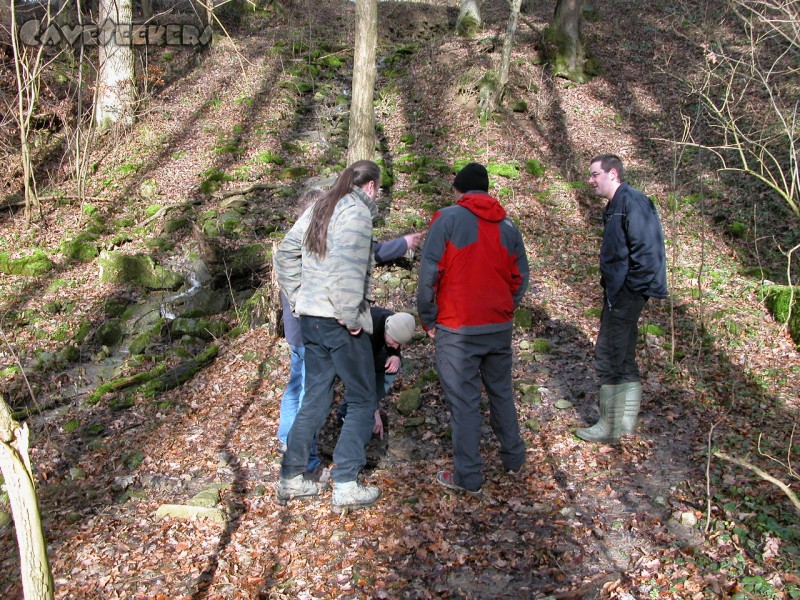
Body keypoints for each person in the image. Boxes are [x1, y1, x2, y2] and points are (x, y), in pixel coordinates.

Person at [273, 160, 383, 513]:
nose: (378, 195)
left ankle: (291, 477)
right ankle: (346, 483)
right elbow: (347, 268)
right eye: (378, 189)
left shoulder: (320, 206)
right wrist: (350, 315)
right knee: (363, 399)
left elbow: (285, 253)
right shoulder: (356, 212)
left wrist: (298, 296)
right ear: (370, 186)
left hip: (311, 320)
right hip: (339, 321)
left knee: (315, 398)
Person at [417, 162, 529, 494]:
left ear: (460, 190)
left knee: (464, 403)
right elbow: (520, 278)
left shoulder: (447, 219)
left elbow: (429, 274)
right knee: (501, 393)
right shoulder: (508, 226)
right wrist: (505, 307)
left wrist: (428, 318)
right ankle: (513, 459)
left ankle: (469, 476)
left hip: (458, 328)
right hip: (497, 325)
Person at [576, 153, 667, 444]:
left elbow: (648, 253)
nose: (590, 180)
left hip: (627, 293)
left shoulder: (632, 202)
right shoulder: (616, 205)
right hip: (620, 292)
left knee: (609, 354)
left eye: (595, 174)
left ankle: (609, 427)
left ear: (613, 173)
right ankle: (624, 427)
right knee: (624, 355)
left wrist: (629, 290)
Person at [336, 307, 417, 439]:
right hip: (346, 355)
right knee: (362, 385)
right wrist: (375, 411)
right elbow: (364, 374)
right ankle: (348, 413)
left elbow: (395, 342)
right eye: (395, 342)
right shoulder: (368, 328)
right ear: (386, 330)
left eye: (399, 344)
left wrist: (395, 355)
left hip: (370, 354)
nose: (396, 346)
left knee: (393, 365)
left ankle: (363, 407)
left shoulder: (394, 321)